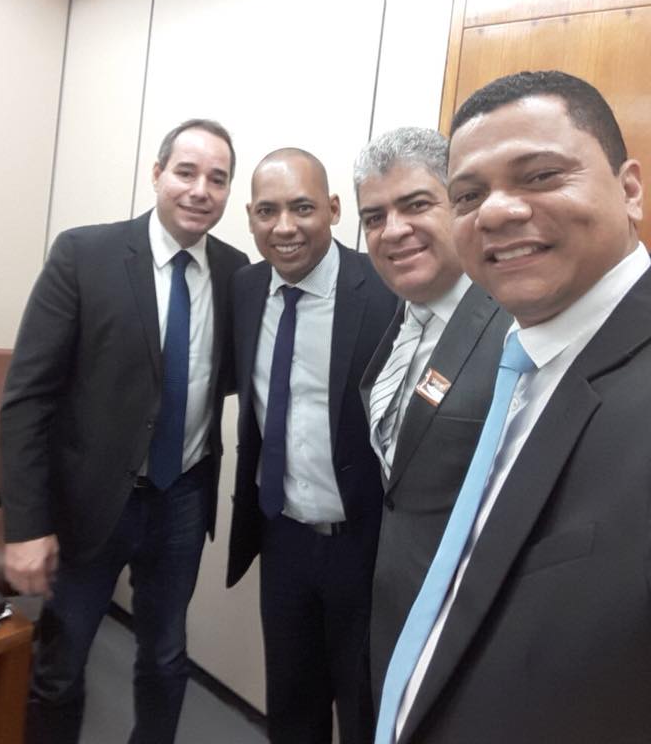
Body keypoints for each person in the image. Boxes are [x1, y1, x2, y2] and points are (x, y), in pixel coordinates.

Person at [382, 70, 650, 744]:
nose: (496, 212)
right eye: (469, 195)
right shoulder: (528, 357)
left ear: (630, 190)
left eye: (540, 176)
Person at [0, 119, 249, 744]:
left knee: (165, 659)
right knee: (61, 666)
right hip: (91, 502)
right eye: (186, 172)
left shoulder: (235, 271)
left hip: (182, 498)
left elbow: (220, 377)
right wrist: (26, 525)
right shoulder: (85, 255)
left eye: (217, 179)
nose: (200, 190)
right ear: (157, 174)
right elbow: (27, 398)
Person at [226, 148, 396, 744]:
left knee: (365, 710)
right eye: (267, 211)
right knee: (292, 707)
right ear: (250, 217)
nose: (284, 227)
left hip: (365, 546)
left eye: (302, 208)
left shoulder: (385, 289)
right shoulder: (246, 288)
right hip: (283, 539)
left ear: (334, 209)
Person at [353, 128, 509, 707]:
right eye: (374, 217)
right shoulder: (403, 315)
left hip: (470, 634)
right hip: (399, 607)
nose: (393, 230)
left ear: (460, 205)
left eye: (416, 204)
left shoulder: (511, 326)